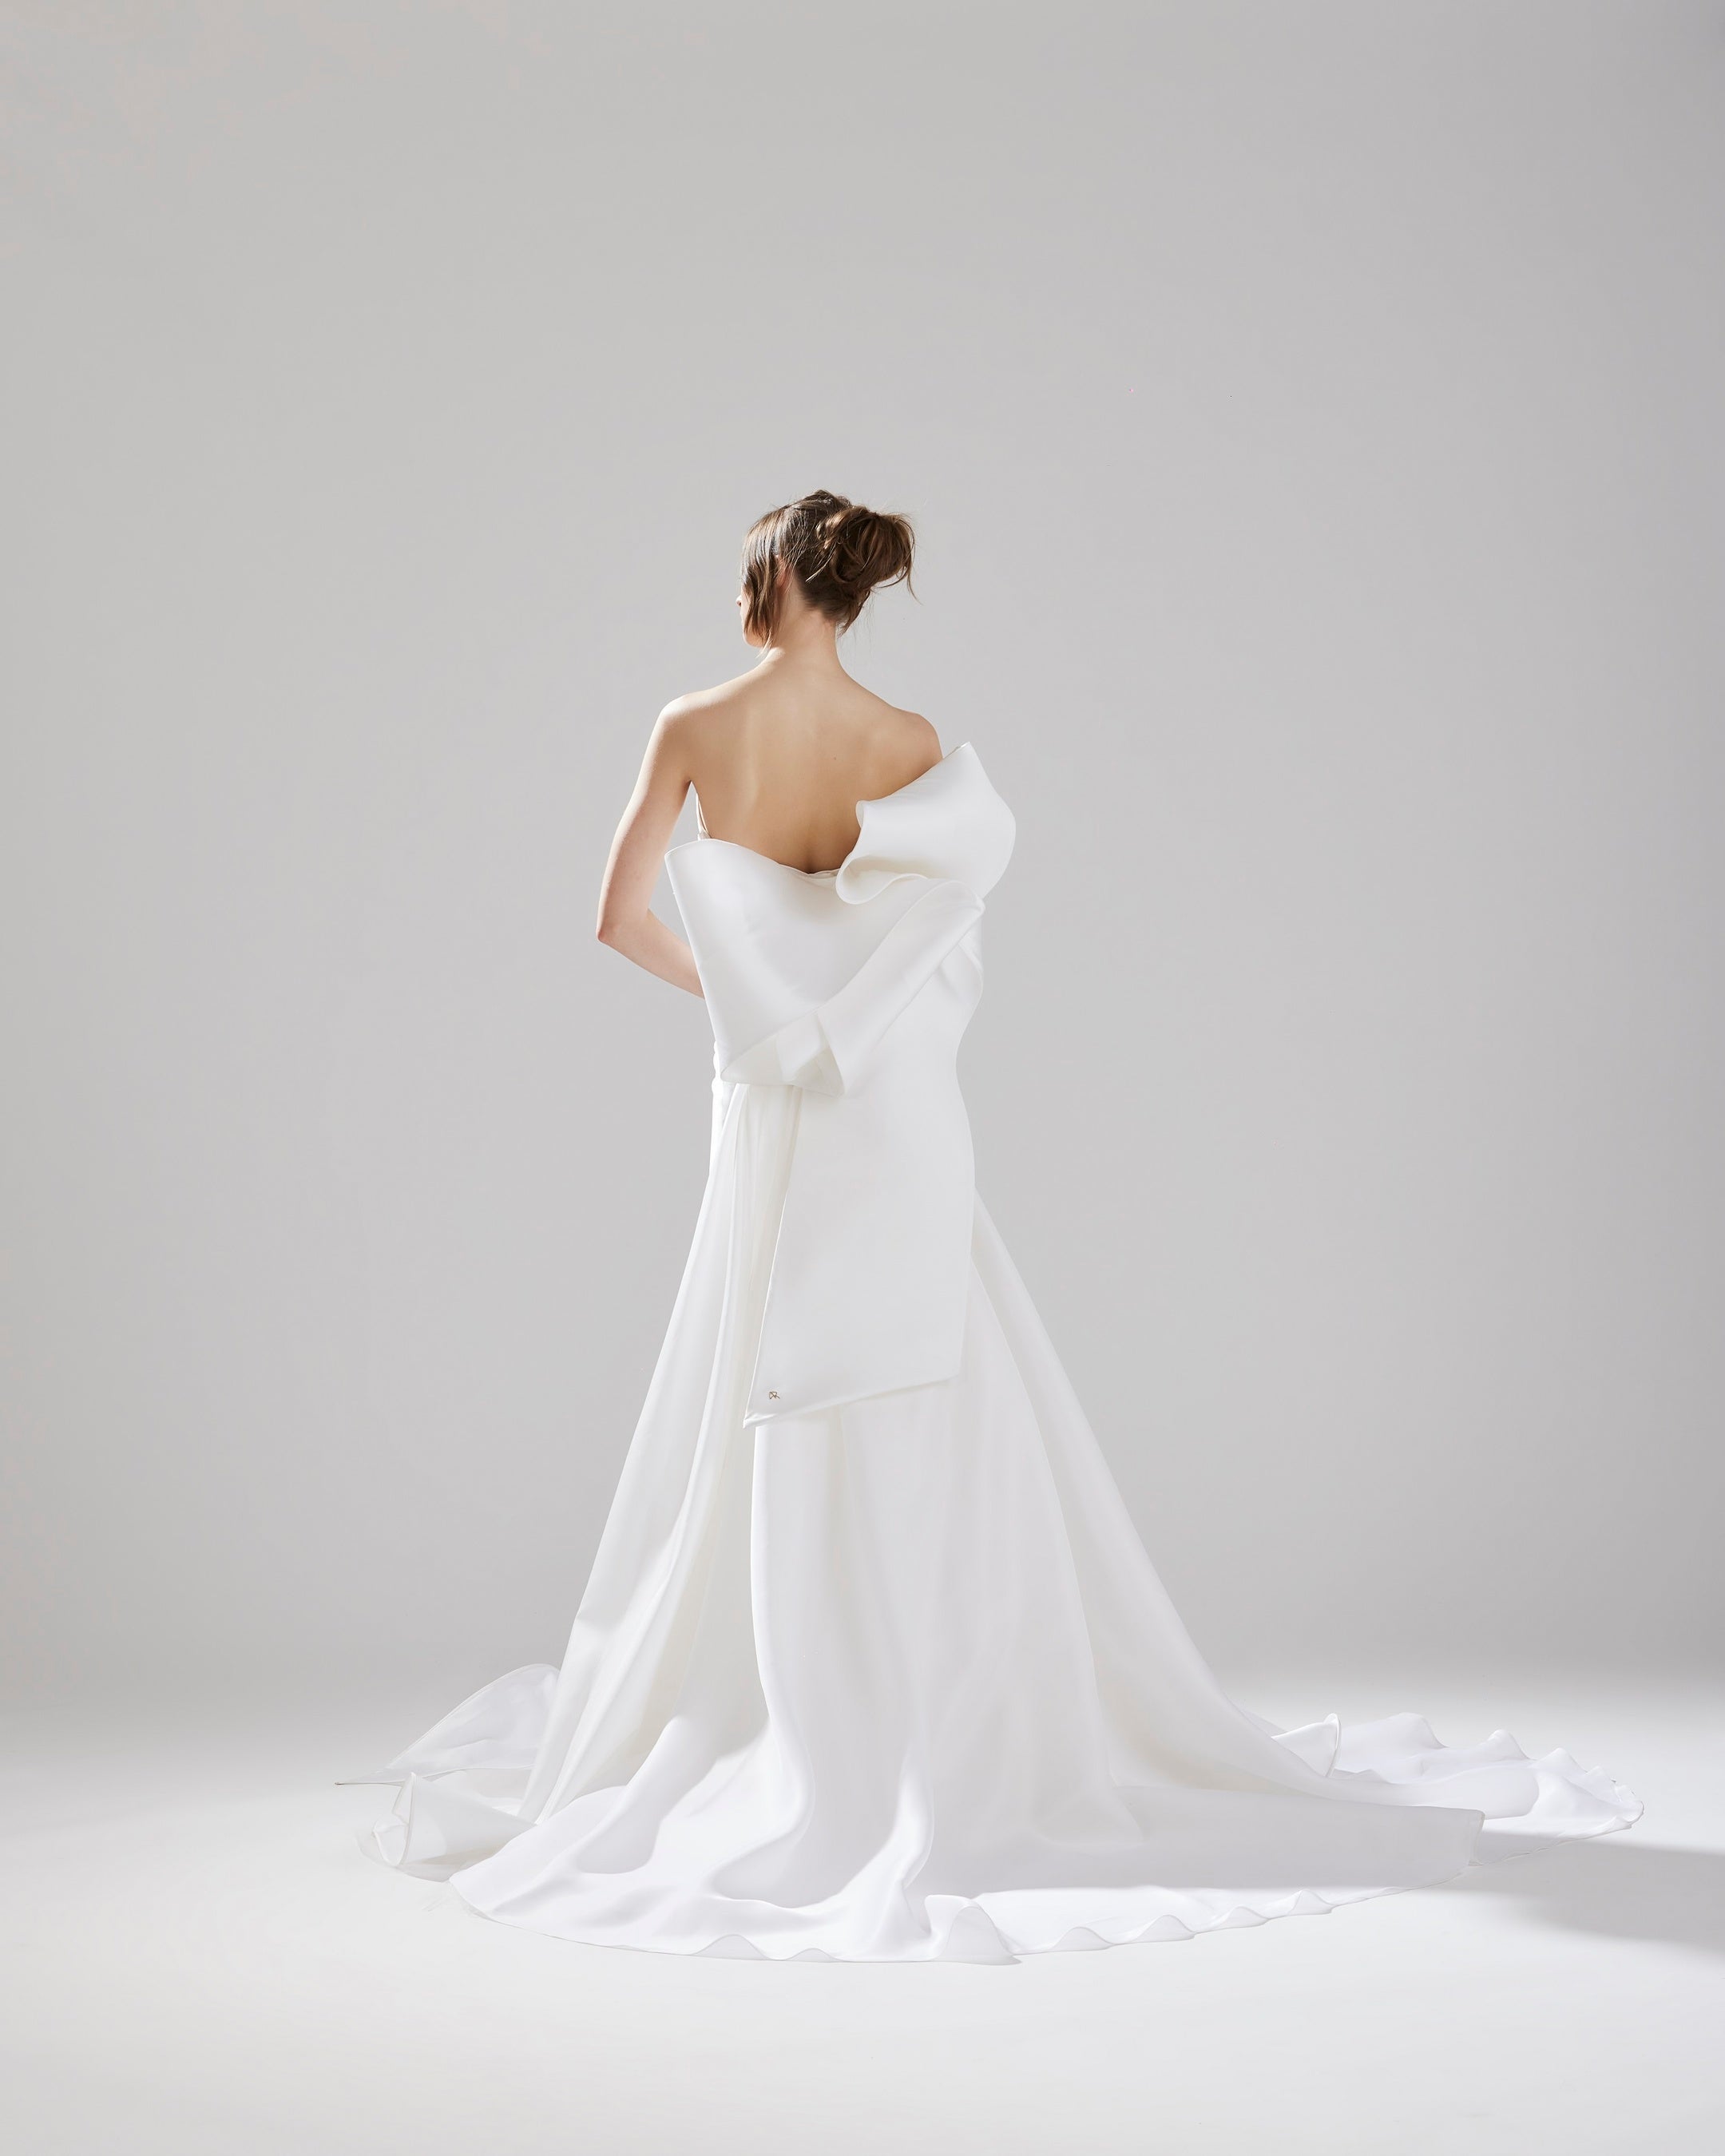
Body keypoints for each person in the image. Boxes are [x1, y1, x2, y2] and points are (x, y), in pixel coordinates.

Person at [348, 489, 1639, 1962]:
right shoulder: (909, 744)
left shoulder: (692, 724)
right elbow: (923, 935)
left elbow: (617, 916)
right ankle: (937, 1701)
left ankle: (787, 1699)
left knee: (764, 1355)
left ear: (772, 579)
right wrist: (831, 1002)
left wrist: (754, 1002)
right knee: (932, 1362)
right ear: (855, 590)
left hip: (768, 1103)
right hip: (893, 1114)